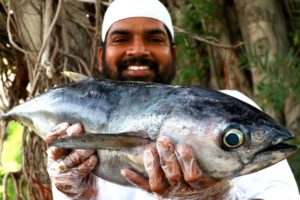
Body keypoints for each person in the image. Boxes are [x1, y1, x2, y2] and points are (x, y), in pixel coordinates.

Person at [45, 0, 300, 199]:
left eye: (154, 39)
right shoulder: (68, 116)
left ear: (173, 52)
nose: (138, 50)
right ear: (101, 54)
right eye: (121, 39)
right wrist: (79, 196)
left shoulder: (229, 105)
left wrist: (217, 197)